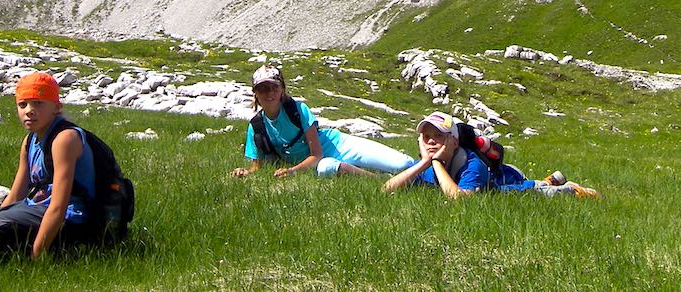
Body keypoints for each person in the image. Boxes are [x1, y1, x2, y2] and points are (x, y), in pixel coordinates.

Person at [0, 72, 99, 257]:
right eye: (22, 104)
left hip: (70, 219)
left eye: (38, 103)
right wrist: (0, 217)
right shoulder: (29, 140)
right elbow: (15, 195)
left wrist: (38, 256)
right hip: (34, 208)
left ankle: (28, 257)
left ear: (57, 107)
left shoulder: (65, 139)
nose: (29, 110)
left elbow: (59, 207)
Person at [230, 64, 416, 179]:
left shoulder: (297, 110)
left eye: (273, 87)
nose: (269, 93)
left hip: (339, 145)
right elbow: (257, 166)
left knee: (401, 164)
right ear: (255, 93)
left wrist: (293, 171)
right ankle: (381, 181)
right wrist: (246, 172)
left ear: (282, 90)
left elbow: (316, 153)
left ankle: (428, 172)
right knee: (326, 169)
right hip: (321, 163)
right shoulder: (256, 127)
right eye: (263, 89)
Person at [383, 111, 598, 199]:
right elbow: (386, 189)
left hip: (516, 187)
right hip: (501, 183)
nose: (430, 141)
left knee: (541, 191)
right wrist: (423, 163)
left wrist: (436, 162)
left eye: (438, 136)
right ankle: (550, 180)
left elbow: (460, 200)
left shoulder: (471, 164)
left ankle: (575, 190)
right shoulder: (427, 165)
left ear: (453, 141)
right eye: (425, 136)